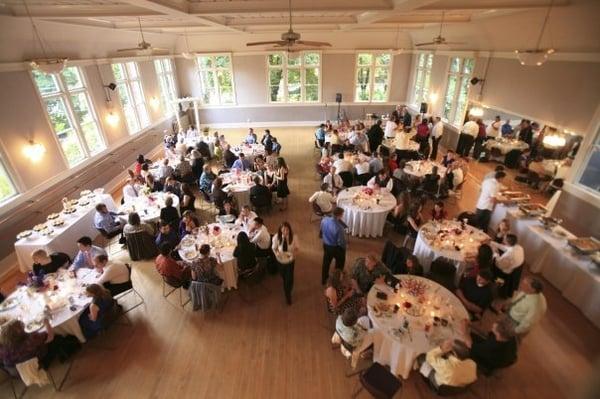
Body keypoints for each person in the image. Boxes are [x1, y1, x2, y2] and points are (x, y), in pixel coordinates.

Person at [272, 222, 299, 305]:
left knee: (288, 279)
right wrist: (276, 253)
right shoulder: (276, 237)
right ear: (280, 230)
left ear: (289, 229)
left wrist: (293, 256)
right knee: (284, 277)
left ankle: (288, 296)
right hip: (280, 261)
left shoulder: (294, 237)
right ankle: (287, 287)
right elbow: (274, 248)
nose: (285, 232)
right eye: (283, 230)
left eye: (287, 230)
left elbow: (297, 249)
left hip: (290, 261)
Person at [490, 234, 524, 298]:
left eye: (504, 239)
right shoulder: (519, 247)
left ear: (507, 242)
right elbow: (506, 248)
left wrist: (495, 253)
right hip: (516, 269)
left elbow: (499, 265)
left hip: (505, 272)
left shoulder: (508, 255)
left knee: (490, 263)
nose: (503, 239)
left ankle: (494, 286)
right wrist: (492, 242)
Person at [320, 207, 347, 285]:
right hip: (335, 248)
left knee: (326, 263)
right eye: (342, 214)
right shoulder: (339, 227)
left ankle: (324, 279)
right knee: (340, 264)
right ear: (339, 215)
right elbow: (341, 242)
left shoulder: (324, 220)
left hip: (326, 245)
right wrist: (344, 248)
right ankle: (336, 280)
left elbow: (321, 231)